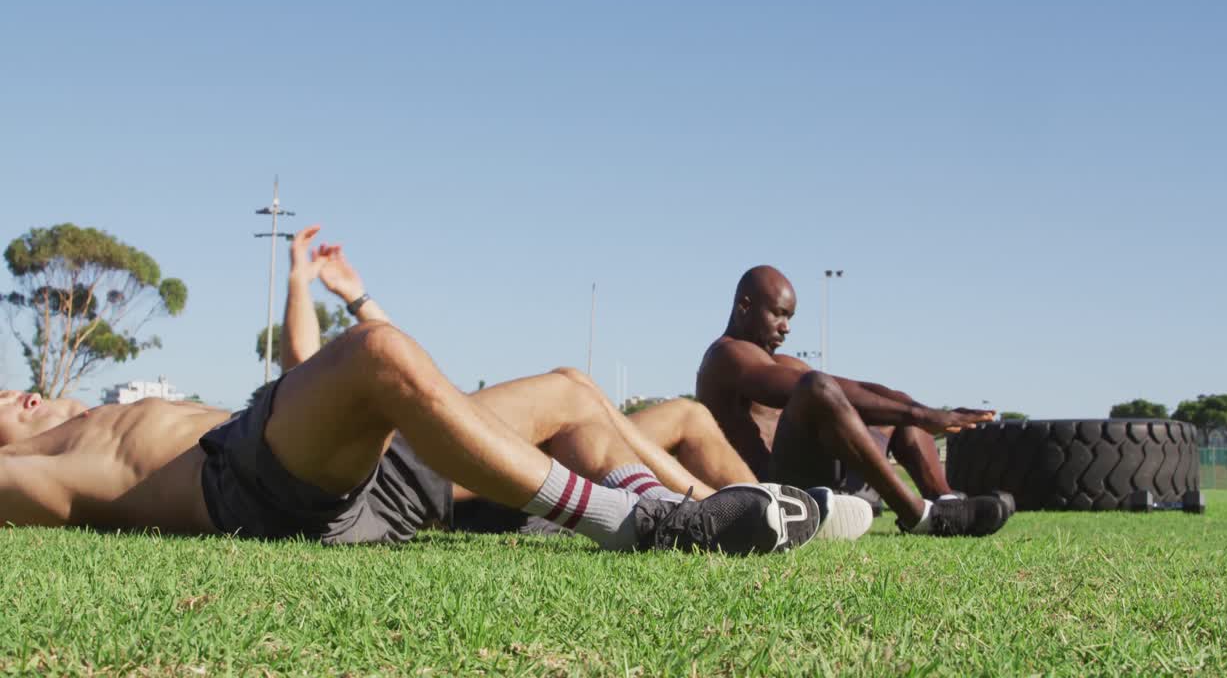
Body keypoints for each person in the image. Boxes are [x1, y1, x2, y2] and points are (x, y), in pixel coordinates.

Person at [0, 261, 829, 556]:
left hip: (300, 455)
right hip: (245, 487)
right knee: (378, 354)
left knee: (573, 389)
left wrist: (306, 280)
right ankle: (637, 522)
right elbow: (308, 369)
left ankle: (720, 516)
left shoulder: (66, 409)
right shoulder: (45, 466)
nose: (12, 394)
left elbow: (296, 374)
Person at [279, 226, 872, 540]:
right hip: (467, 472)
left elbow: (395, 363)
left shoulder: (389, 380)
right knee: (572, 385)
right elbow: (308, 364)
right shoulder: (320, 420)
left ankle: (772, 512)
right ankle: (715, 511)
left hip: (479, 438)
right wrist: (300, 281)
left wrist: (355, 294)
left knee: (685, 415)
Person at [696, 265, 1013, 537]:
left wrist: (917, 411)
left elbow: (851, 389)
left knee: (889, 407)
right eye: (778, 314)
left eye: (790, 317)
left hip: (815, 477)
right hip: (770, 487)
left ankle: (944, 501)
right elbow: (810, 389)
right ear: (744, 307)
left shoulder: (779, 361)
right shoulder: (726, 356)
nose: (786, 327)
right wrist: (920, 413)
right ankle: (920, 516)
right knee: (817, 388)